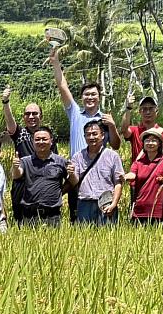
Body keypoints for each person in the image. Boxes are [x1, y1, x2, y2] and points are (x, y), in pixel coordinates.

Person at [48, 46, 120, 222]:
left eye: (93, 94)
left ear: (99, 97)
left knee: (104, 222)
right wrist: (56, 62)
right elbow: (62, 85)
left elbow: (116, 145)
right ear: (81, 98)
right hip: (77, 174)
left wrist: (112, 126)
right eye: (86, 94)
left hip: (100, 177)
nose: (90, 97)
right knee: (78, 219)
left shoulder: (104, 119)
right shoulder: (75, 113)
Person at [2, 85, 57, 223]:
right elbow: (10, 122)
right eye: (27, 114)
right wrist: (5, 102)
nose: (31, 116)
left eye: (35, 113)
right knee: (22, 226)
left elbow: (55, 162)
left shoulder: (49, 137)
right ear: (23, 117)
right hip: (22, 188)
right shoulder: (20, 134)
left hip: (43, 189)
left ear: (41, 116)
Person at [11, 126, 76, 227]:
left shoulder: (61, 161)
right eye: (37, 139)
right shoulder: (25, 161)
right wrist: (15, 167)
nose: (41, 142)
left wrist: (71, 174)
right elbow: (17, 175)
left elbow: (74, 181)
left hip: (53, 216)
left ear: (51, 141)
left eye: (44, 139)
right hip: (29, 216)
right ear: (33, 142)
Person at [70, 120, 124, 225]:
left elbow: (118, 183)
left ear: (102, 135)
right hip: (84, 202)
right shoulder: (78, 156)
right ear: (84, 137)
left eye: (94, 134)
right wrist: (71, 173)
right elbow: (74, 182)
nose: (91, 137)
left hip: (106, 202)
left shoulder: (112, 156)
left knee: (107, 237)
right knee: (84, 238)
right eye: (88, 134)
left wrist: (114, 204)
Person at [126, 128, 163, 225]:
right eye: (147, 140)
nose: (150, 143)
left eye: (154, 140)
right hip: (139, 210)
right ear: (143, 144)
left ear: (159, 144)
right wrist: (123, 177)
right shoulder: (138, 163)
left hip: (159, 211)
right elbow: (132, 174)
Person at [120, 94, 163, 162]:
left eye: (151, 109)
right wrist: (128, 108)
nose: (148, 112)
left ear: (156, 111)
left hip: (158, 171)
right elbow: (124, 130)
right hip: (137, 171)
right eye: (144, 109)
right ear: (140, 112)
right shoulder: (134, 130)